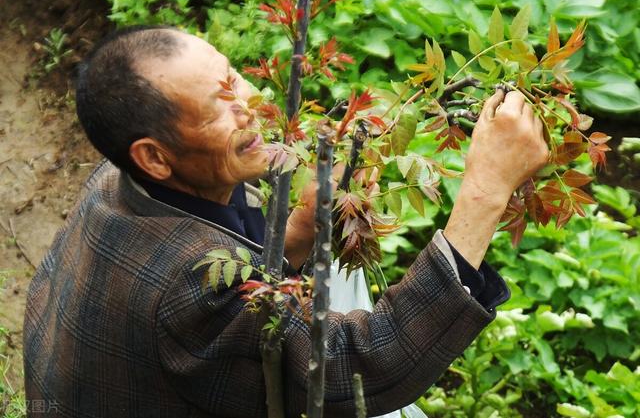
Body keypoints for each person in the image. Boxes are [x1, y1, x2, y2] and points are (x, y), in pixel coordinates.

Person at [23, 26, 549, 418]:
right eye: (218, 106)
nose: (249, 105)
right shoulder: (189, 286)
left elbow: (238, 298)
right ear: (155, 157)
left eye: (234, 80)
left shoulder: (117, 183)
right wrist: (485, 189)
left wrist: (298, 232)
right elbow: (358, 369)